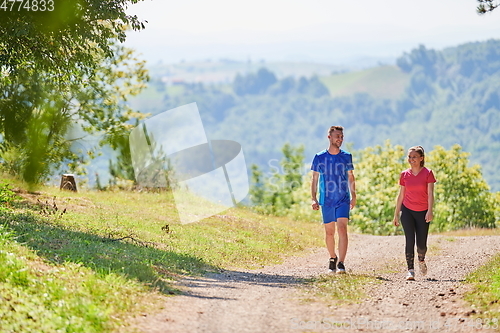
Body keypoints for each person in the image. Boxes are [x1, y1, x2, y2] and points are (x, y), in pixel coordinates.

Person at [311, 126, 356, 273]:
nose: (340, 139)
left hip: (343, 198)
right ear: (329, 137)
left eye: (342, 136)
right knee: (329, 233)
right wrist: (313, 198)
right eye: (337, 136)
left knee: (342, 229)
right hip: (327, 200)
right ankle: (332, 257)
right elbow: (314, 179)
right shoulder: (319, 157)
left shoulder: (346, 156)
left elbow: (350, 176)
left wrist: (353, 195)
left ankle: (341, 263)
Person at [393, 146, 436, 281]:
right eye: (410, 157)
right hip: (407, 211)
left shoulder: (428, 173)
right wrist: (396, 214)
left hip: (423, 211)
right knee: (409, 240)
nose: (411, 160)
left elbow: (430, 194)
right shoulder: (404, 174)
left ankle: (421, 260)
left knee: (421, 244)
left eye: (414, 157)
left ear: (421, 158)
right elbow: (401, 195)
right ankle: (410, 270)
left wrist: (430, 210)